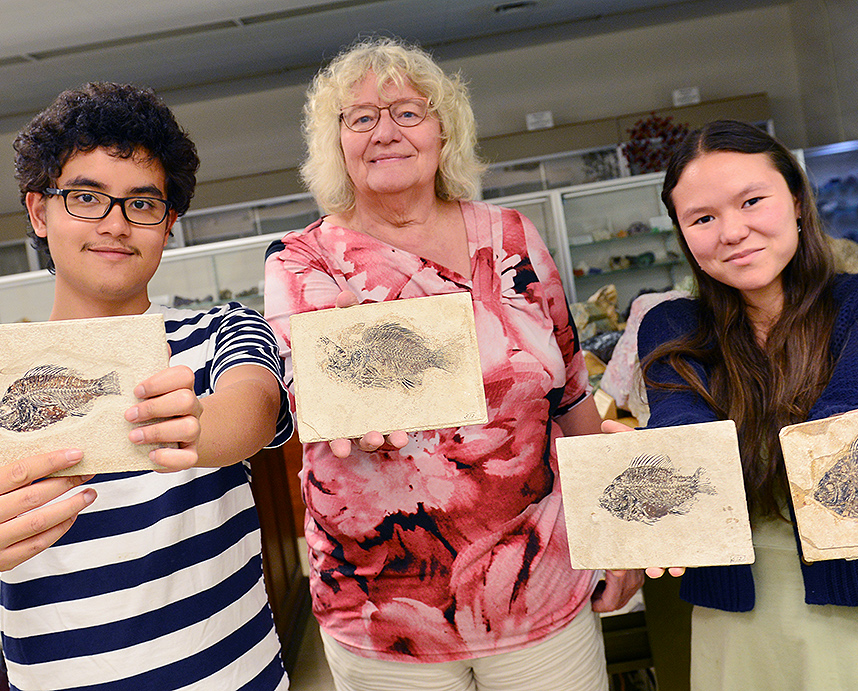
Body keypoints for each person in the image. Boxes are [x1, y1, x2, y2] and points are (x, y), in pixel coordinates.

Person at [263, 37, 641, 691]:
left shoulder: (515, 238)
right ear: (337, 143)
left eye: (409, 112)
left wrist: (618, 537)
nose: (386, 130)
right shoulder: (304, 261)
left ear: (444, 131)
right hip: (384, 613)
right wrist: (350, 392)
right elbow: (316, 381)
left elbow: (574, 396)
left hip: (541, 591)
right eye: (361, 117)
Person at [0, 82, 293, 691]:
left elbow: (252, 410)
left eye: (143, 204)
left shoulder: (219, 328)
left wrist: (197, 425)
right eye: (86, 198)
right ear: (40, 212)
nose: (116, 224)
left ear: (169, 223)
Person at [624, 118, 858, 689]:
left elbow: (842, 426)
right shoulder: (671, 325)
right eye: (702, 218)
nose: (731, 232)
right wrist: (645, 472)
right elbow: (690, 439)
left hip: (857, 607)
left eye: (752, 200)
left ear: (796, 200)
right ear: (682, 234)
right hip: (736, 617)